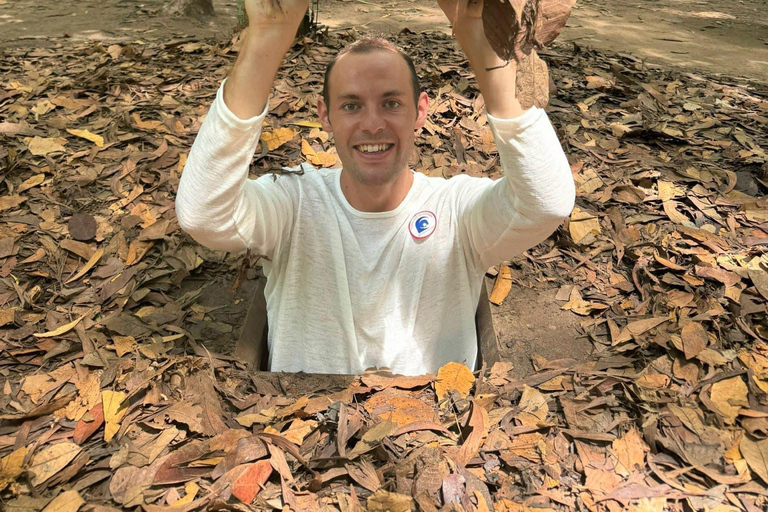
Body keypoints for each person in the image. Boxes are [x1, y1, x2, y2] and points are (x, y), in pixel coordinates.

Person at [175, 0, 576, 376]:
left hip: (436, 438)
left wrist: (481, 38)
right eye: (351, 105)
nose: (372, 124)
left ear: (421, 111)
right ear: (325, 115)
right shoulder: (293, 202)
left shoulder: (456, 209)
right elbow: (205, 215)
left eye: (391, 103)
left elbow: (545, 202)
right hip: (303, 437)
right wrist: (267, 34)